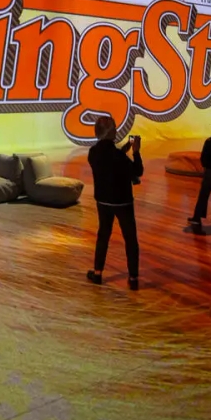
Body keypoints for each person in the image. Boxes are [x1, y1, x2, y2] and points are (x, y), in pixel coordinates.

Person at [87, 116, 144, 291]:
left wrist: (126, 147)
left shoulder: (93, 153)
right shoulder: (119, 157)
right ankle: (133, 278)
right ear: (113, 132)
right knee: (130, 238)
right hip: (122, 202)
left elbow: (110, 159)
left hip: (103, 200)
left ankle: (98, 273)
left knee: (103, 235)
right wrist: (135, 151)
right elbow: (137, 170)